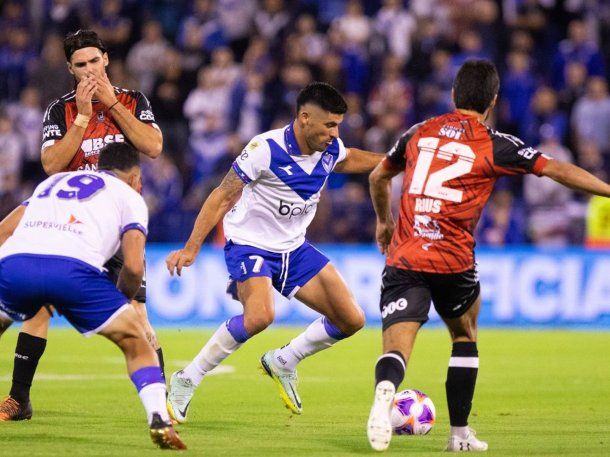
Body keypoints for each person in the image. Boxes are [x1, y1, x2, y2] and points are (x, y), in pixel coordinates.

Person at [365, 59, 610, 453]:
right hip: (453, 262)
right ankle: (459, 434)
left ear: (452, 95)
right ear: (493, 101)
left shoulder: (418, 132)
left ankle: (385, 392)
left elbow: (378, 176)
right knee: (464, 334)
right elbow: (556, 169)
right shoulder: (495, 143)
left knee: (396, 348)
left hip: (405, 256)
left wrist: (383, 222)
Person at [165, 82, 381, 422]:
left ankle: (284, 360)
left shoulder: (329, 149)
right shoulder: (265, 149)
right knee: (260, 317)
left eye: (338, 125)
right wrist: (191, 248)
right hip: (250, 243)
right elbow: (222, 194)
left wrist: (393, 161)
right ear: (305, 118)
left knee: (351, 319)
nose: (334, 133)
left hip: (293, 248)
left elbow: (348, 157)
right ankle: (187, 378)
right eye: (329, 125)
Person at [0, 29, 164, 421]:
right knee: (37, 308)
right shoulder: (61, 110)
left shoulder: (132, 100)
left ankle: (163, 404)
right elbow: (51, 166)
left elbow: (153, 147)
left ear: (106, 59)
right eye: (80, 65)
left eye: (94, 61)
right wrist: (85, 118)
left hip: (117, 220)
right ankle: (19, 399)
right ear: (70, 70)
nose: (89, 70)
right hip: (69, 224)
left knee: (138, 313)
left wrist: (112, 106)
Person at [0, 143, 185, 449]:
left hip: (15, 265)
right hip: (74, 272)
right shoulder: (130, 197)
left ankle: (18, 397)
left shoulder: (52, 182)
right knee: (137, 343)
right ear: (135, 177)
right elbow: (134, 266)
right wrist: (121, 301)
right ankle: (159, 420)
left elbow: (5, 230)